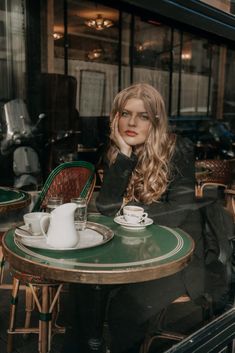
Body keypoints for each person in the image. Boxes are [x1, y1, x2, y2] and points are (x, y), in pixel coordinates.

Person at [95, 83, 230, 353]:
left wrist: (126, 209)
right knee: (87, 290)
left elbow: (177, 213)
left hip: (176, 259)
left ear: (155, 122)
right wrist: (124, 154)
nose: (131, 122)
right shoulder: (120, 152)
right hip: (135, 253)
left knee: (125, 309)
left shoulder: (178, 150)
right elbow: (106, 206)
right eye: (125, 113)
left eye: (142, 116)